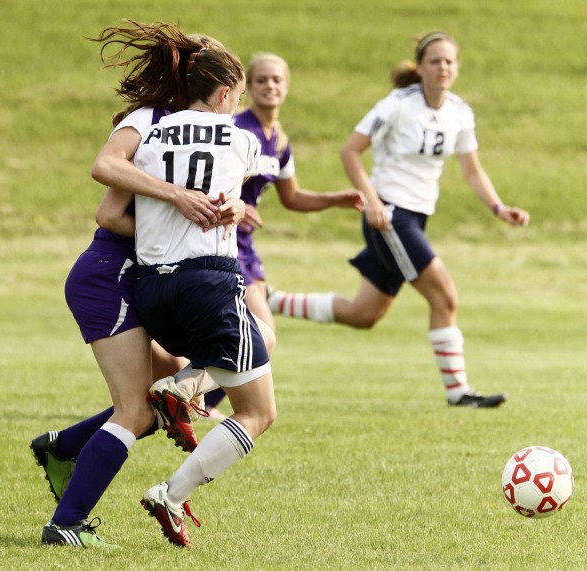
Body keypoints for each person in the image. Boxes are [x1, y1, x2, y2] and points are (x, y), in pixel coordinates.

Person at [36, 21, 246, 548]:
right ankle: (66, 525)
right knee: (137, 409)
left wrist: (227, 209)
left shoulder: (196, 133)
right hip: (111, 276)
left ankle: (63, 447)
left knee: (171, 385)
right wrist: (177, 203)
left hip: (145, 276)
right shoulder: (148, 121)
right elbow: (109, 201)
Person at [268, 32, 530, 408]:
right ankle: (459, 393)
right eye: (435, 61)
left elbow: (472, 170)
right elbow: (350, 152)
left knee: (364, 314)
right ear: (421, 66)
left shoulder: (459, 112)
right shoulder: (397, 105)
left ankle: (272, 300)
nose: (443, 68)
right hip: (390, 216)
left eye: (449, 62)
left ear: (457, 67)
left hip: (415, 218)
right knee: (445, 296)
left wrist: (498, 207)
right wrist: (372, 201)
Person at [90, 26, 277, 549]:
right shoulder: (241, 138)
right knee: (259, 411)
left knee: (254, 342)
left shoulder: (149, 132)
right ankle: (172, 487)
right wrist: (235, 208)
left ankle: (186, 385)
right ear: (223, 95)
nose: (235, 106)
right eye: (236, 97)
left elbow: (114, 201)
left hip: (153, 295)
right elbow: (226, 203)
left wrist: (226, 208)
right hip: (208, 285)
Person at [204, 52, 365, 419]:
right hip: (221, 240)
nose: (270, 86)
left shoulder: (277, 140)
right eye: (261, 80)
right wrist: (236, 203)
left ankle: (199, 402)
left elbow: (292, 198)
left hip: (246, 248)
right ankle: (194, 397)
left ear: (287, 86)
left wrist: (334, 199)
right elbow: (207, 178)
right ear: (248, 88)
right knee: (260, 335)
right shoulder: (237, 129)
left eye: (277, 80)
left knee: (256, 337)